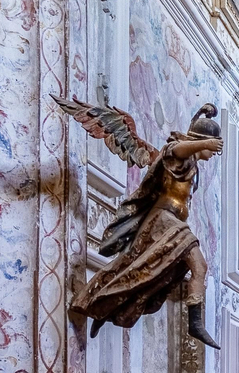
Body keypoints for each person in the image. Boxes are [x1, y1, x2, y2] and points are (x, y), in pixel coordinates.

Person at [60, 100, 226, 349]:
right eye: (212, 147)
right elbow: (175, 150)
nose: (213, 153)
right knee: (198, 265)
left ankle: (104, 307)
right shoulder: (175, 154)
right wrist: (205, 143)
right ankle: (195, 324)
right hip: (163, 221)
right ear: (201, 139)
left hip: (171, 224)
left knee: (142, 275)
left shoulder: (192, 166)